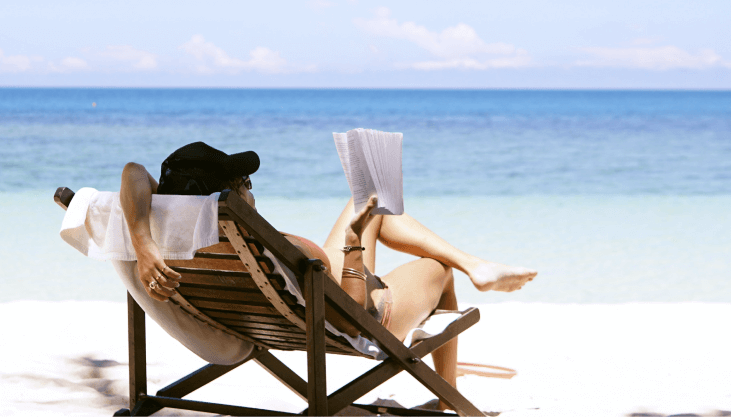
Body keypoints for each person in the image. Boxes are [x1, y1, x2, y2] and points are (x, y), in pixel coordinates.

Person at [119, 142, 536, 405]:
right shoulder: (284, 246)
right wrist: (353, 248)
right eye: (244, 181)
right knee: (439, 271)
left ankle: (475, 266)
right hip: (360, 316)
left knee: (369, 203)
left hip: (273, 306)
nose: (250, 188)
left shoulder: (164, 230)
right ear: (229, 198)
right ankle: (448, 392)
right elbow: (353, 318)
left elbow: (134, 171)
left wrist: (142, 244)